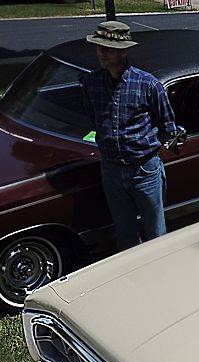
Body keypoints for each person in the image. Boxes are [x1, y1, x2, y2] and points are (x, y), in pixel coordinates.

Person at [81, 21, 177, 250]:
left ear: (124, 52)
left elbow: (168, 126)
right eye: (99, 47)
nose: (101, 53)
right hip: (111, 169)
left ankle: (159, 268)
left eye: (108, 49)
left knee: (156, 233)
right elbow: (94, 120)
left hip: (144, 170)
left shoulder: (148, 84)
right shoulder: (91, 83)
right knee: (125, 234)